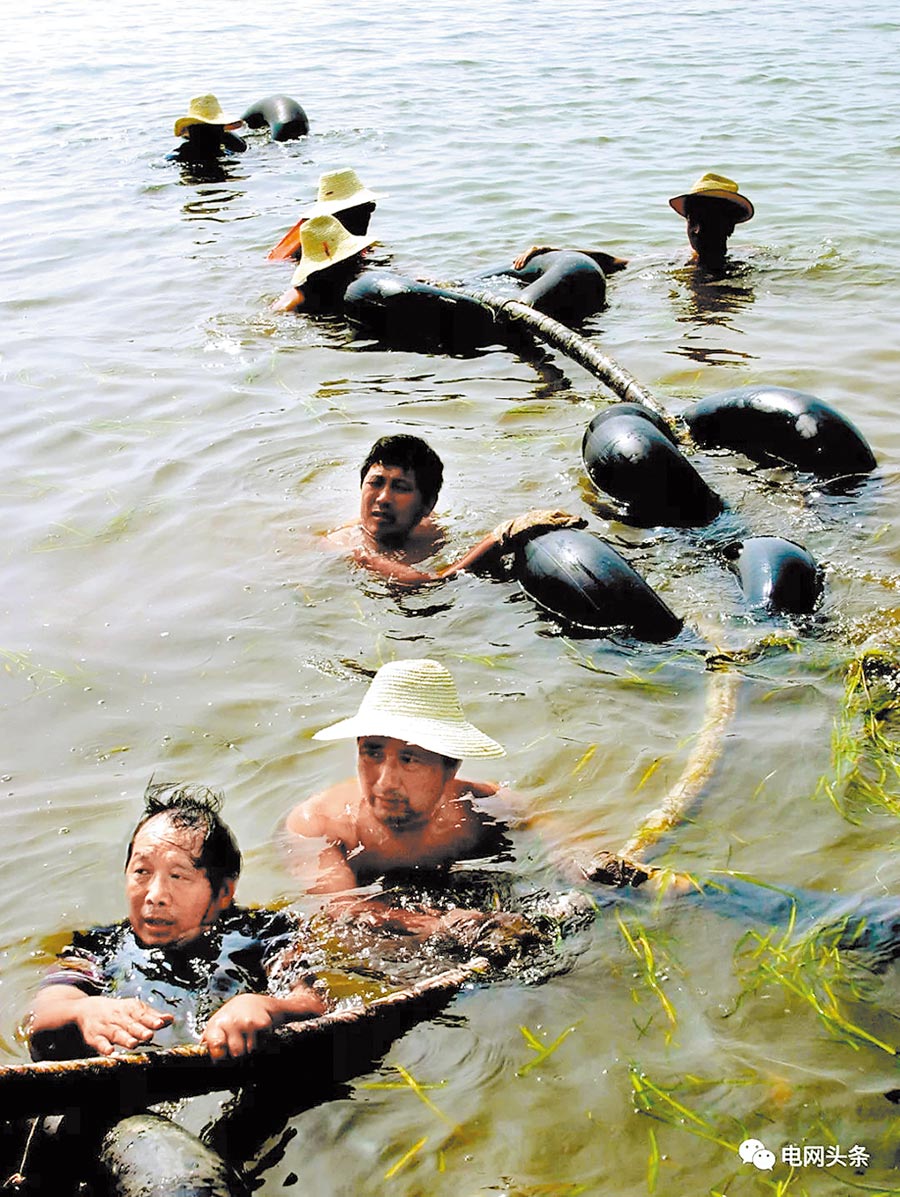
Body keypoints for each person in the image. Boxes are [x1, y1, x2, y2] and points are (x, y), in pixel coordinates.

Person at [26, 782, 326, 1062]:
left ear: (223, 892)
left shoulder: (266, 934)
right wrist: (83, 1010)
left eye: (178, 876)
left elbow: (310, 1001)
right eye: (142, 872)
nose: (155, 896)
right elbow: (45, 1011)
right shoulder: (98, 947)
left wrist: (264, 1006)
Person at [285, 659, 511, 893]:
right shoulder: (321, 825)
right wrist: (441, 923)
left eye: (409, 760)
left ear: (450, 767)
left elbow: (544, 828)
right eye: (373, 753)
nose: (385, 783)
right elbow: (335, 912)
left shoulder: (477, 807)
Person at [324, 433, 585, 583]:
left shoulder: (426, 524)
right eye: (375, 483)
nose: (382, 498)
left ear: (427, 505)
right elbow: (433, 582)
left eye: (400, 487)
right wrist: (500, 537)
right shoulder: (359, 550)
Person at [268, 168, 387, 260]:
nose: (369, 214)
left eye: (371, 207)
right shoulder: (312, 250)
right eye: (367, 208)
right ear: (336, 217)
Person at [668, 171, 754, 272]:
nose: (697, 230)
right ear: (731, 228)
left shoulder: (672, 262)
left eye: (709, 220)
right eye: (693, 220)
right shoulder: (748, 255)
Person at [168, 94, 247, 164]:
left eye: (214, 130)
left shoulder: (174, 158)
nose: (208, 135)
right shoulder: (228, 154)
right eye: (202, 131)